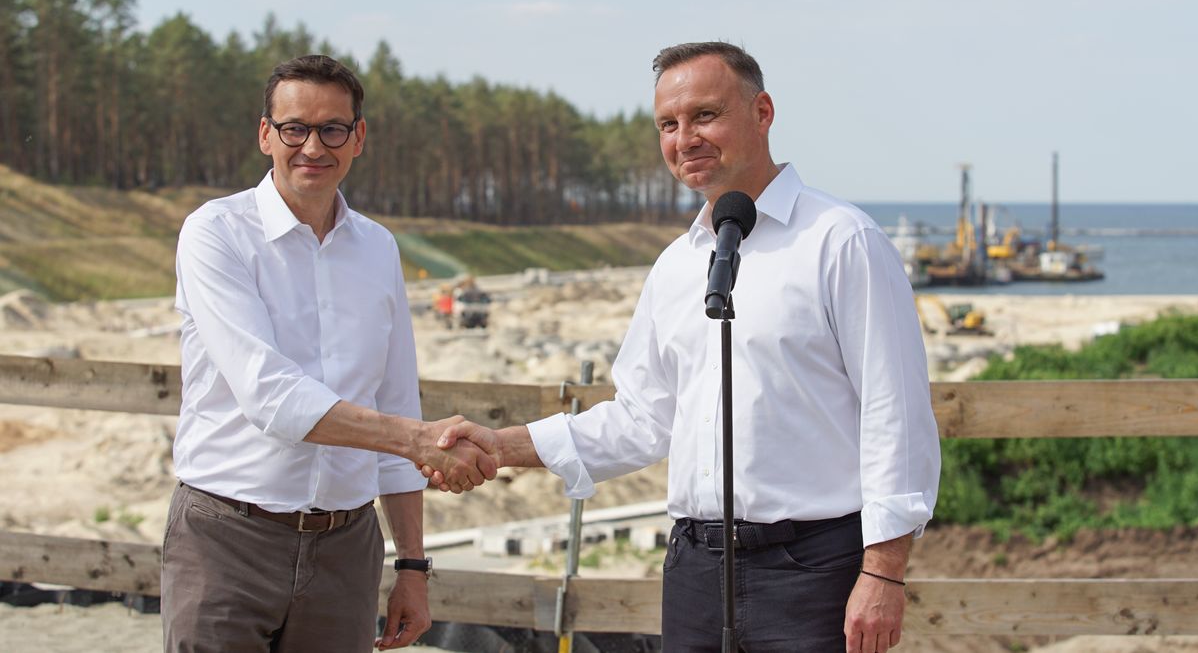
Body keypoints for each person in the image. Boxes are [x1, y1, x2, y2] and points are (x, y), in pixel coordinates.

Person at [425, 42, 941, 652]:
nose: (684, 138)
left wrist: (883, 572)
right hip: (693, 572)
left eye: (705, 115)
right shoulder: (676, 266)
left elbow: (896, 416)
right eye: (668, 125)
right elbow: (641, 419)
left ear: (763, 112)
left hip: (812, 572)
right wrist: (500, 446)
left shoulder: (843, 241)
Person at [163, 54, 495, 653]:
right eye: (294, 128)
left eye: (332, 129)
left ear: (358, 138)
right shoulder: (214, 233)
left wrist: (413, 569)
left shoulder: (377, 248)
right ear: (266, 134)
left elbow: (396, 398)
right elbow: (270, 396)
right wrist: (416, 439)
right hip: (226, 541)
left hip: (347, 551)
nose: (312, 146)